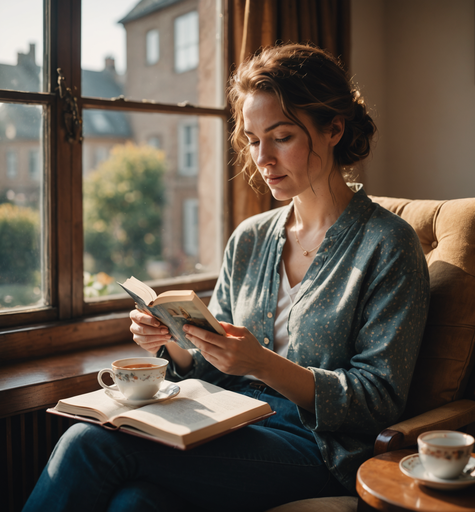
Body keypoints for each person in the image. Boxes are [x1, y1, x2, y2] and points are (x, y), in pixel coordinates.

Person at [23, 43, 430, 512]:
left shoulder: (387, 244)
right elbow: (214, 361)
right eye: (254, 141)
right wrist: (173, 340)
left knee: (87, 443)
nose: (263, 158)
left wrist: (262, 364)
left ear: (334, 128)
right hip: (227, 423)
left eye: (281, 137)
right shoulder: (250, 237)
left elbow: (378, 399)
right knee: (135, 503)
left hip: (317, 447)